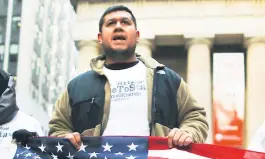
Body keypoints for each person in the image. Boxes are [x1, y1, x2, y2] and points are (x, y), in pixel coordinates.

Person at [48, 5, 208, 148]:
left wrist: (188, 132)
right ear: (100, 38)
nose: (118, 27)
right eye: (111, 23)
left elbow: (195, 116)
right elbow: (58, 126)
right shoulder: (78, 86)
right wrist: (65, 138)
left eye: (125, 22)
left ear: (137, 35)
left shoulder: (167, 79)